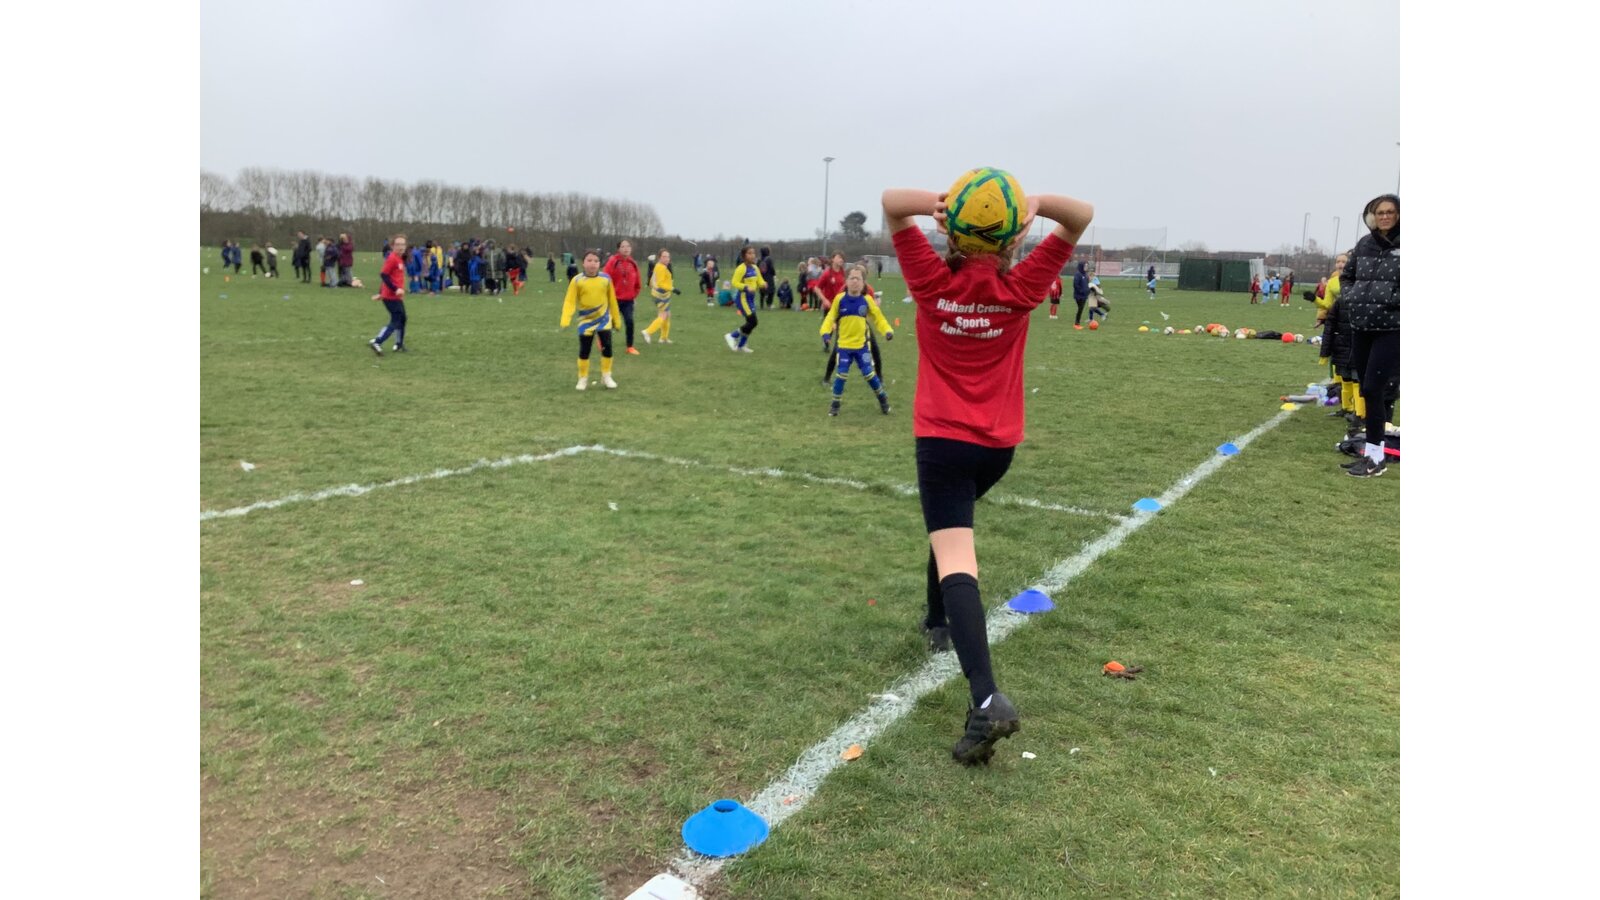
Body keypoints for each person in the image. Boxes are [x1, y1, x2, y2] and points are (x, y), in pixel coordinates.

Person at [882, 180, 1093, 765]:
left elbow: (892, 203)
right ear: (1015, 238)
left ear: (949, 233)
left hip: (942, 443)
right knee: (947, 529)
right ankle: (936, 620)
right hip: (997, 448)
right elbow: (1081, 215)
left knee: (956, 553)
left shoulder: (931, 280)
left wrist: (941, 204)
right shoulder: (1022, 284)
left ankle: (986, 700)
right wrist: (1036, 205)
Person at [1340, 195, 1400, 477]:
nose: (1384, 216)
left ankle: (1376, 458)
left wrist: (1392, 299)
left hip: (1391, 327)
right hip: (1362, 325)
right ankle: (1373, 453)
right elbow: (1347, 276)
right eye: (1380, 212)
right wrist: (1352, 296)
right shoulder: (1365, 244)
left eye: (1390, 212)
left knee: (1376, 388)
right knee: (1367, 389)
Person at [819, 265, 894, 416]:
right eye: (852, 278)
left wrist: (887, 330)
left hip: (861, 346)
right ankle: (835, 405)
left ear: (863, 282)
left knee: (869, 374)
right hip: (844, 346)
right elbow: (830, 317)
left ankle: (883, 400)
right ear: (846, 281)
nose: (854, 281)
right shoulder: (839, 299)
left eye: (858, 279)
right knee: (841, 375)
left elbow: (878, 318)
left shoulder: (867, 300)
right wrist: (825, 333)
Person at [560, 250, 621, 390]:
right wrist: (565, 319)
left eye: (596, 261)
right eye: (589, 260)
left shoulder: (606, 279)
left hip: (604, 320)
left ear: (599, 264)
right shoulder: (577, 280)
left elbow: (612, 301)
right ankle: (582, 378)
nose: (592, 264)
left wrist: (616, 320)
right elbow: (569, 301)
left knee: (607, 348)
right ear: (583, 263)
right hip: (585, 322)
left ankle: (606, 376)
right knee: (584, 350)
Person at [368, 234, 409, 355]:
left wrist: (381, 292)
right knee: (396, 320)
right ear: (392, 246)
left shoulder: (399, 259)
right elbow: (384, 275)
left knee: (402, 318)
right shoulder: (392, 258)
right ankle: (378, 342)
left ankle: (399, 344)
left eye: (403, 244)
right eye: (398, 244)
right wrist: (395, 289)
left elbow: (390, 277)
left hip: (395, 296)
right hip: (391, 296)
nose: (401, 247)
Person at [603, 239, 644, 355]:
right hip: (614, 299)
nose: (626, 249)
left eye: (628, 246)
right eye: (623, 246)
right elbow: (605, 278)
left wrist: (633, 295)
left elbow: (638, 283)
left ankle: (630, 347)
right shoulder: (613, 261)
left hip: (628, 301)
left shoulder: (633, 263)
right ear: (618, 249)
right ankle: (603, 343)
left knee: (629, 321)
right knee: (610, 323)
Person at [725, 246, 766, 352]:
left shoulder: (755, 268)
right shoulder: (741, 268)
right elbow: (734, 282)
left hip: (751, 299)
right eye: (749, 253)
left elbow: (759, 280)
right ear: (744, 256)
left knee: (751, 323)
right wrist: (746, 287)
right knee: (753, 322)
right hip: (743, 298)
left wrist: (763, 284)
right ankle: (732, 336)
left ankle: (741, 346)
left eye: (753, 253)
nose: (752, 255)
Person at [641, 248, 676, 345]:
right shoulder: (661, 267)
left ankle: (663, 338)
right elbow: (660, 283)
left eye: (668, 256)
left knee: (667, 315)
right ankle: (648, 331)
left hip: (662, 294)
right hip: (661, 295)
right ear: (659, 258)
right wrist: (673, 289)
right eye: (664, 257)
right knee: (663, 315)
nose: (666, 258)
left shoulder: (660, 266)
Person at [810, 251, 848, 316]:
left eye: (842, 258)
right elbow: (817, 288)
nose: (841, 260)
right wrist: (824, 300)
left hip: (842, 306)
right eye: (839, 257)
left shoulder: (844, 273)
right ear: (832, 259)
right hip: (830, 307)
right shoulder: (827, 273)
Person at [1071, 260, 1089, 329]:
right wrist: (1081, 291)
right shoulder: (1078, 274)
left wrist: (1088, 290)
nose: (1086, 267)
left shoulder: (1086, 275)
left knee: (1080, 309)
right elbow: (1075, 285)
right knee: (1080, 308)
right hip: (1079, 296)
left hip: (1084, 296)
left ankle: (1077, 323)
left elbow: (1087, 284)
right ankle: (1076, 323)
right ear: (1082, 266)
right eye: (1085, 266)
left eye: (1087, 266)